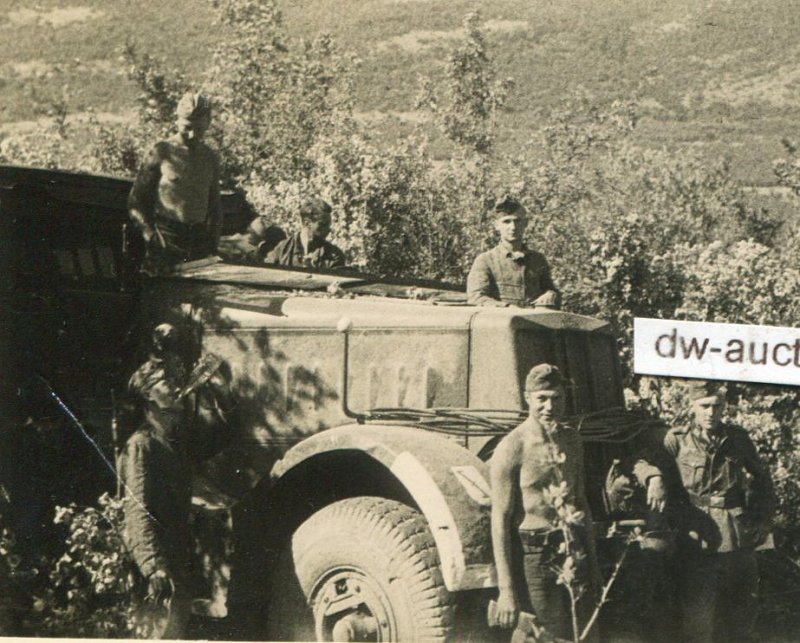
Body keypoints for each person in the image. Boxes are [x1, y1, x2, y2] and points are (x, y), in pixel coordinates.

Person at [490, 364, 666, 642]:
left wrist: (593, 566)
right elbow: (499, 520)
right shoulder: (512, 447)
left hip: (574, 547)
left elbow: (581, 502)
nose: (549, 406)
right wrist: (506, 590)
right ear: (528, 398)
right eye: (542, 398)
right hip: (536, 556)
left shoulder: (572, 440)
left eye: (556, 398)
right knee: (543, 635)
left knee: (584, 631)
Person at [660, 380, 776, 643]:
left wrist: (762, 521)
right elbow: (650, 461)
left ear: (724, 407)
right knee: (698, 615)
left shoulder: (738, 439)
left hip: (736, 534)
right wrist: (654, 479)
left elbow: (762, 480)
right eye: (704, 406)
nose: (710, 412)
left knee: (742, 610)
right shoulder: (677, 440)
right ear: (692, 406)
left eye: (716, 406)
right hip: (696, 536)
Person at [120, 323, 193, 638]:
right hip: (157, 570)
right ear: (148, 394)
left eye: (174, 381)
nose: (174, 387)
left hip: (175, 562)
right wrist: (153, 565)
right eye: (165, 383)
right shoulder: (142, 445)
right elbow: (136, 510)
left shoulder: (172, 441)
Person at [128, 91, 222, 273]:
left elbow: (215, 205)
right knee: (162, 295)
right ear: (177, 121)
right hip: (167, 239)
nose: (193, 134)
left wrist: (213, 244)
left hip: (199, 242)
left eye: (200, 129)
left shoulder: (210, 157)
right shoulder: (162, 152)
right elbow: (136, 201)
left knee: (200, 297)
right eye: (187, 127)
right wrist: (151, 236)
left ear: (208, 125)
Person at [467, 195, 559, 308]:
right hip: (501, 322)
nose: (513, 227)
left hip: (535, 322)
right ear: (497, 226)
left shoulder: (537, 260)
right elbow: (477, 298)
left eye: (517, 221)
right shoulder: (486, 260)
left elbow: (551, 291)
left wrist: (551, 294)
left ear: (525, 223)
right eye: (507, 222)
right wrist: (507, 308)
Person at [265, 197, 345, 269]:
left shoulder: (334, 255)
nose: (328, 230)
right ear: (307, 224)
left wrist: (314, 270)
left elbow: (336, 282)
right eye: (323, 225)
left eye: (328, 225)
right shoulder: (283, 250)